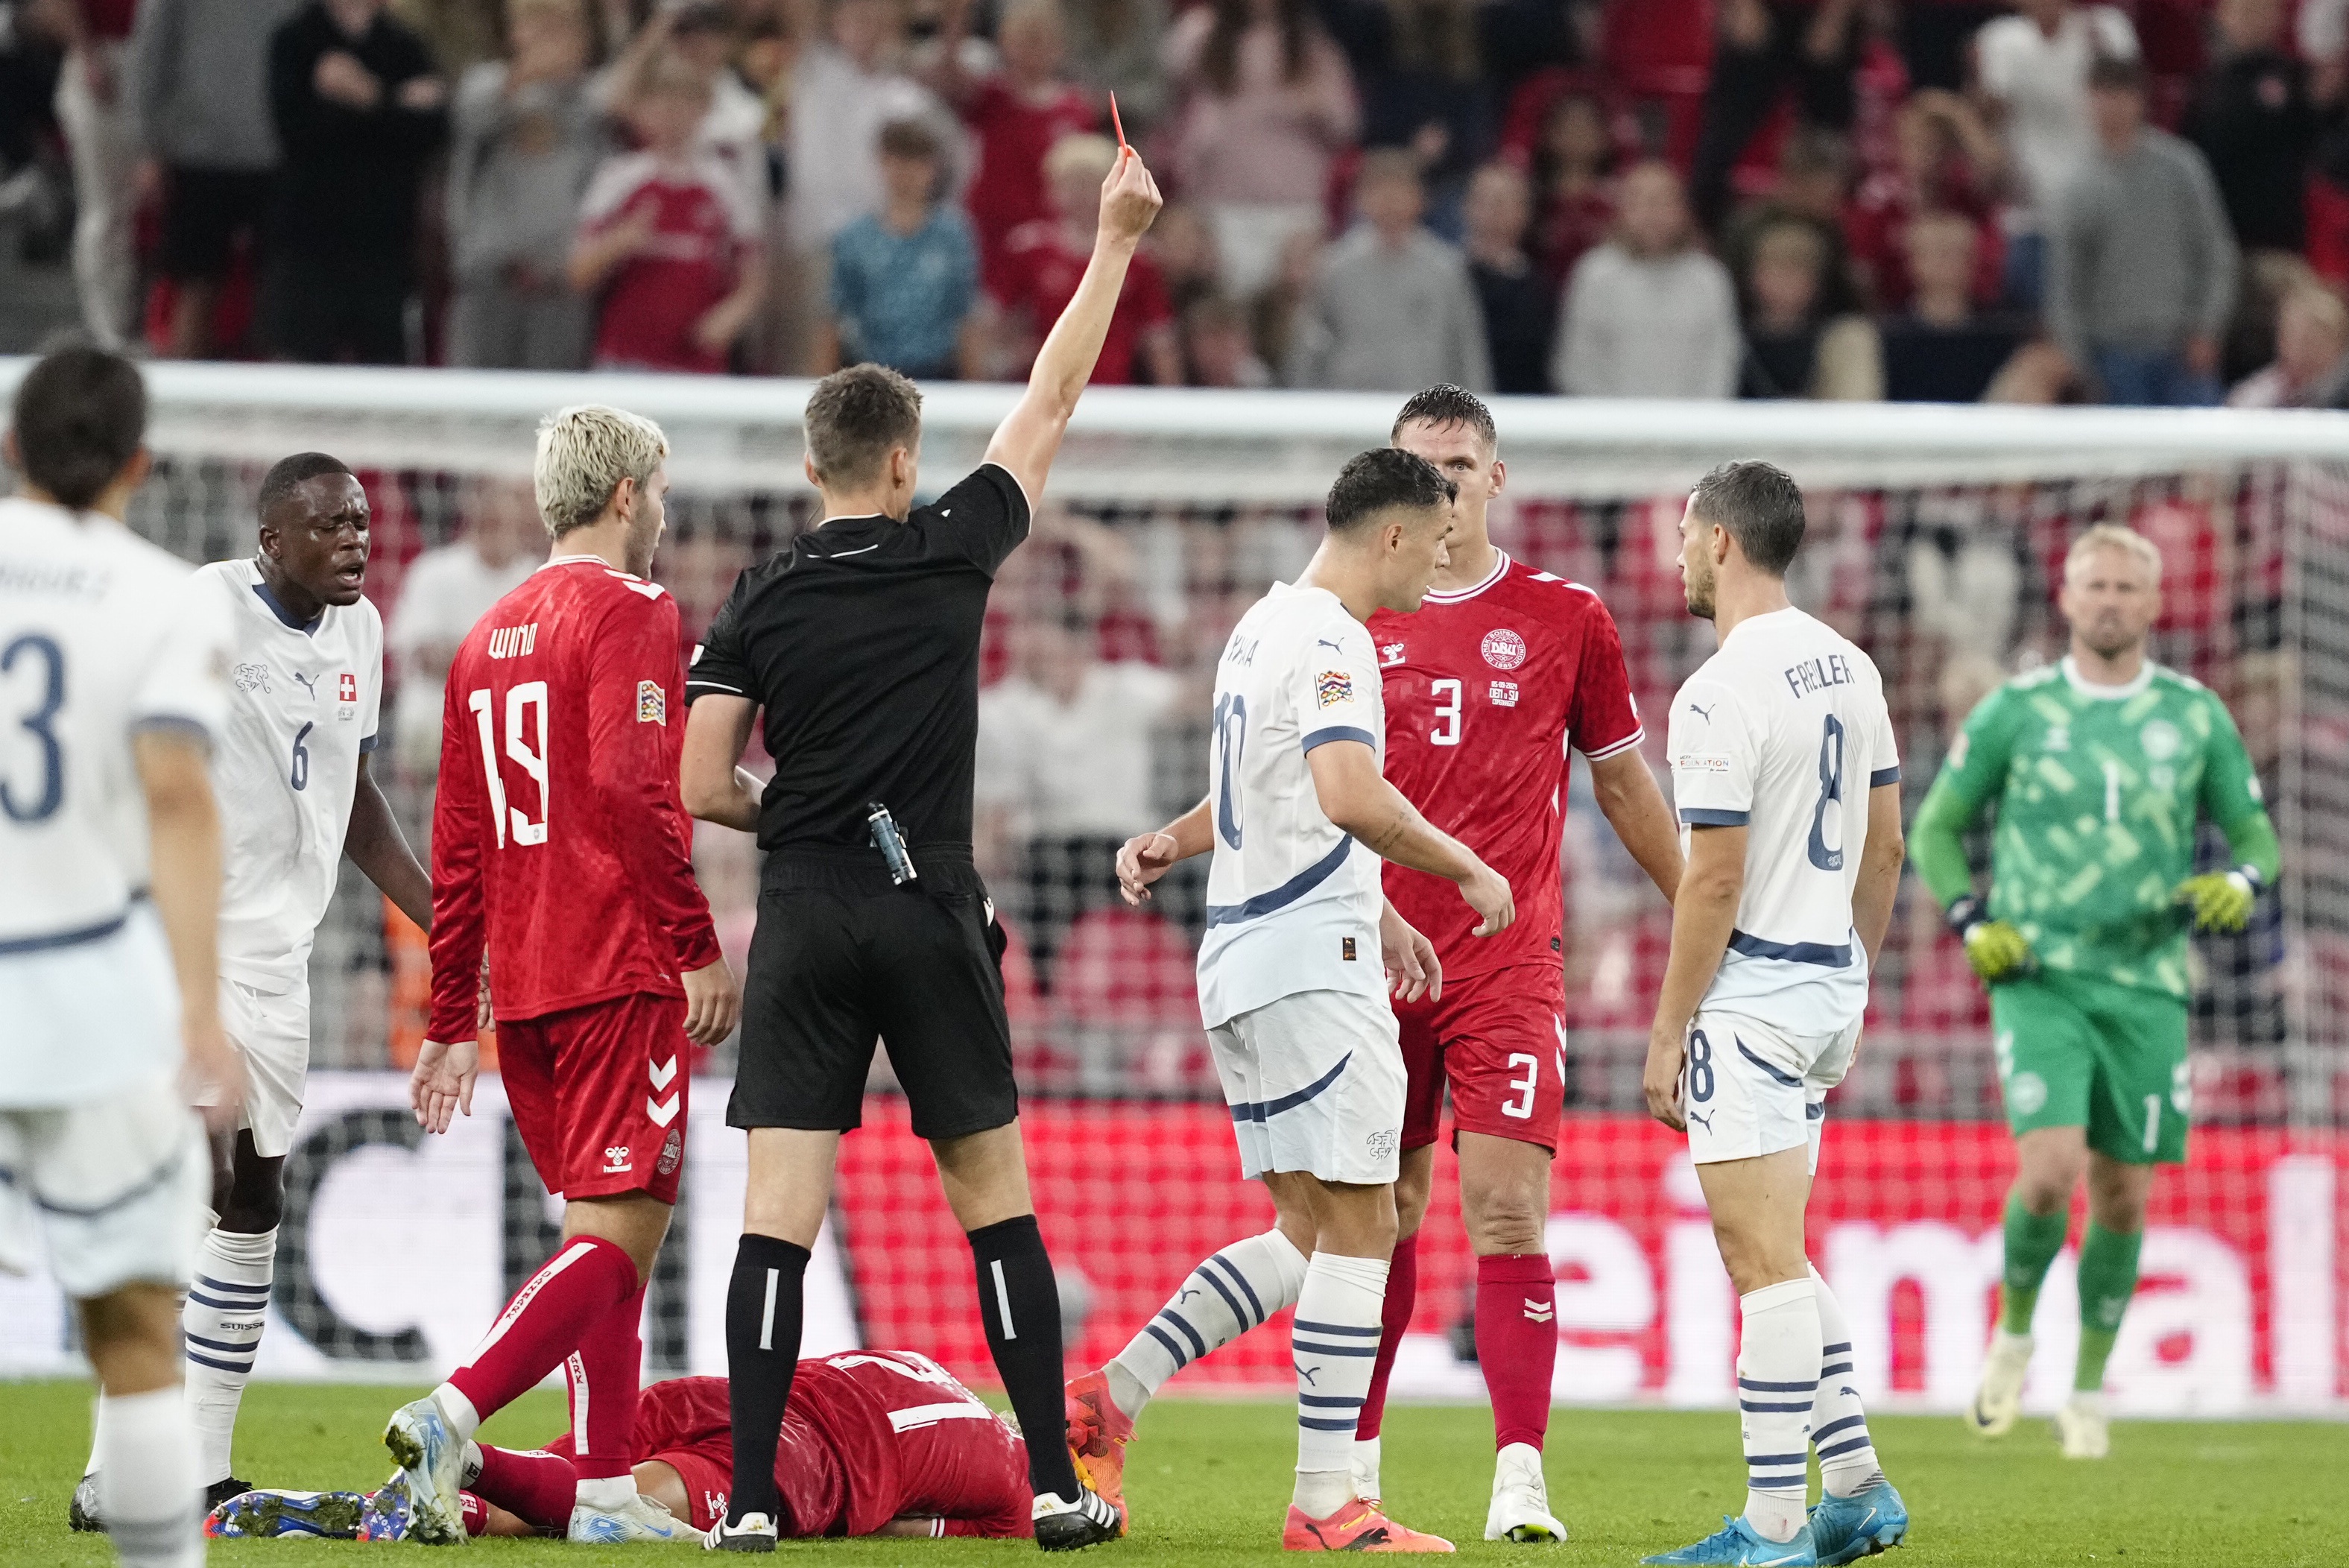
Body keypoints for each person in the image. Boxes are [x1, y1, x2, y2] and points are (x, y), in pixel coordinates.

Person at [674, 143, 1166, 1553]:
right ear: (900, 462)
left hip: (812, 908)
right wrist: (1113, 241)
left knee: (780, 1219)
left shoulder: (756, 597)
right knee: (991, 1201)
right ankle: (1057, 1485)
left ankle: (754, 1501)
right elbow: (1051, 394)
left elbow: (703, 780)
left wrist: (802, 811)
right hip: (928, 899)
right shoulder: (949, 544)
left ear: (807, 465)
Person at [1069, 447, 1501, 1553]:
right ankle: (1326, 1506)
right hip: (1312, 967)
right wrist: (1462, 870)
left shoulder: (1261, 626)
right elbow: (1349, 792)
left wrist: (1175, 837)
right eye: (1436, 546)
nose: (1438, 572)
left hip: (1245, 959)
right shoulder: (1336, 637)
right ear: (1394, 533)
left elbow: (1259, 794)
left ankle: (1114, 1392)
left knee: (1310, 1232)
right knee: (1369, 1220)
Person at [384, 404, 741, 1546]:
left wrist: (452, 1015)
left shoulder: (486, 633)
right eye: (663, 496)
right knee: (616, 1242)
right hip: (616, 968)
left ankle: (600, 1493)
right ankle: (455, 1410)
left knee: (606, 1245)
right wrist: (694, 945)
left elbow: (455, 840)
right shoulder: (634, 610)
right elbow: (642, 791)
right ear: (627, 495)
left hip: (526, 987)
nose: (666, 520)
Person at [72, 452, 434, 1524]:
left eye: (362, 522)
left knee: (254, 1198)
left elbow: (357, 797)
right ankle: (114, 1466)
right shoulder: (206, 610)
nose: (355, 541)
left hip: (282, 958)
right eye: (329, 526)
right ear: (271, 541)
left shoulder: (362, 633)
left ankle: (205, 1460)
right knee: (191, 1179)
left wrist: (442, 919)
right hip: (189, 941)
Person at [1347, 385, 1682, 1540]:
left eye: (1459, 465)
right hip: (1372, 957)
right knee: (1378, 1214)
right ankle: (1354, 1471)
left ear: (1498, 478)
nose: (1440, 487)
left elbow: (1624, 782)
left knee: (1505, 1213)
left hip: (1505, 961)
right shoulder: (1343, 614)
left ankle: (1521, 1478)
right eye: (1419, 468)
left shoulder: (1565, 616)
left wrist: (1695, 907)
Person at [1912, 524, 2280, 1460]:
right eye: (2093, 584)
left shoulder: (2194, 714)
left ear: (2154, 603)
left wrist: (2236, 885)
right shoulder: (2015, 710)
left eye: (2126, 585)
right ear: (2066, 600)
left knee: (2121, 1194)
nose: (2109, 599)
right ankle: (2015, 1335)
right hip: (2037, 976)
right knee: (2048, 1167)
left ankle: (2086, 1390)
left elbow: (2254, 835)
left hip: (2150, 985)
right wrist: (1969, 918)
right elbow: (1938, 830)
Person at [1639, 460, 1911, 1567]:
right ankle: (1852, 1486)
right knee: (1784, 1253)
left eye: (1682, 535)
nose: (1675, 556)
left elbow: (1710, 880)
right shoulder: (1852, 665)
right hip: (1825, 983)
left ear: (1720, 543)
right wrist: (1851, 972)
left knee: (1758, 1264)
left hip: (1751, 996)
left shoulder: (1719, 688)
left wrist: (1669, 1030)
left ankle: (1773, 1524)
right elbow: (1889, 846)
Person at [1, 344, 241, 1568]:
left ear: (9, 449)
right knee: (136, 1330)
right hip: (90, 996)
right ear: (141, 465)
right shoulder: (163, 594)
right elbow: (176, 794)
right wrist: (201, 1010)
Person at [209, 1352, 1037, 1542]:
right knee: (617, 1504)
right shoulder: (1008, 1482)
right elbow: (908, 1531)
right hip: (795, 1459)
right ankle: (465, 1468)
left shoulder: (928, 1367)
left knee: (580, 1467)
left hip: (726, 1391)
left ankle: (395, 1502)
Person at [2045, 56, 2237, 408]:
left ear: (2140, 99)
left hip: (2184, 348)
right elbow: (2066, 282)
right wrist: (2076, 358)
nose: (2111, 106)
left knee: (2200, 457)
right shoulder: (2076, 187)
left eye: (2120, 94)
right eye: (2101, 94)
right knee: (2128, 462)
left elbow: (2215, 251)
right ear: (2087, 100)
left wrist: (2209, 328)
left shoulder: (2182, 169)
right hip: (2112, 355)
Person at [264, 0, 449, 363]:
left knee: (383, 366)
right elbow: (295, 131)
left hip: (383, 239)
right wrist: (394, 109)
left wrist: (367, 96)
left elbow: (430, 133)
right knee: (304, 366)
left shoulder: (405, 45)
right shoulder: (295, 39)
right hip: (310, 236)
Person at [571, 49, 765, 374]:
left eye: (683, 102)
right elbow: (579, 273)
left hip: (697, 366)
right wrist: (620, 241)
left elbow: (753, 278)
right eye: (659, 102)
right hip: (624, 359)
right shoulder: (619, 178)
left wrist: (730, 315)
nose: (671, 114)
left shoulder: (724, 185)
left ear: (704, 109)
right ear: (639, 111)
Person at [127, 0, 302, 358]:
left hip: (282, 152)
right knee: (195, 285)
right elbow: (151, 51)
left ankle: (275, 403)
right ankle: (183, 398)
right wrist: (147, 144)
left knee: (280, 293)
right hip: (197, 151)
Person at [1162, 0, 1359, 303]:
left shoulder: (1310, 47)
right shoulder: (1200, 36)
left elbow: (1345, 123)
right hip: (1220, 206)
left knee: (1293, 318)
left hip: (1293, 207)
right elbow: (1173, 108)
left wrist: (1306, 106)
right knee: (1229, 311)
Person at [444, 0, 604, 370]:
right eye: (540, 25)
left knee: (556, 420)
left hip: (559, 288)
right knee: (479, 413)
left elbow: (624, 100)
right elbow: (472, 118)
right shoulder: (485, 83)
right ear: (515, 31)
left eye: (563, 29)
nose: (553, 40)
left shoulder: (592, 99)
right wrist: (531, 72)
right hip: (489, 282)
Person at [1970, 0, 2137, 307]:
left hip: (2102, 216)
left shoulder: (2107, 28)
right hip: (2032, 218)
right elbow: (1989, 122)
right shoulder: (2000, 39)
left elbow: (2128, 105)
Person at [1286, 150, 1490, 392]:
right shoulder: (1335, 266)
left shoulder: (1445, 269)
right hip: (1351, 408)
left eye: (1400, 192)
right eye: (1381, 191)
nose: (1391, 202)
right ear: (1361, 199)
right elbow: (1310, 347)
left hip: (1425, 412)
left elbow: (1465, 348)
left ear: (1421, 198)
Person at [385, 478, 547, 779]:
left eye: (502, 522)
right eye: (488, 521)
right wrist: (505, 658)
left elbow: (545, 667)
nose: (495, 530)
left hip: (513, 735)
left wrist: (464, 654)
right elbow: (425, 657)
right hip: (435, 727)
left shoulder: (540, 582)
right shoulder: (433, 571)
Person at [996, 133, 1182, 386]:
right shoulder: (1029, 248)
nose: (1081, 194)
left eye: (1090, 183)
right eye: (1071, 183)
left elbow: (1158, 338)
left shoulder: (1137, 258)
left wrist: (1171, 403)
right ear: (1052, 189)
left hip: (1112, 390)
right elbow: (1001, 320)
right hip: (1044, 388)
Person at [1553, 160, 1740, 399]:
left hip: (1691, 427)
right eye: (1644, 203)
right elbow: (1577, 361)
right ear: (1623, 210)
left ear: (1682, 211)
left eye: (1664, 203)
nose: (1654, 215)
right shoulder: (1596, 273)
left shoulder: (1708, 278)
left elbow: (1721, 361)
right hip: (1608, 426)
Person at [822, 117, 984, 379]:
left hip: (937, 374)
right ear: (882, 163)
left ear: (934, 168)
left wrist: (975, 394)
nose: (906, 174)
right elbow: (832, 319)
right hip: (870, 377)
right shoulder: (854, 238)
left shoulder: (953, 236)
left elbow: (966, 317)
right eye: (897, 161)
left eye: (917, 163)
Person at [2181, 0, 2317, 261]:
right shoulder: (2205, 86)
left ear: (2278, 18)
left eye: (2261, 11)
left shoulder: (2295, 80)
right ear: (2222, 18)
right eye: (2243, 12)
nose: (2252, 21)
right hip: (2219, 231)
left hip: (2277, 236)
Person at [1879, 211, 2030, 403]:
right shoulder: (1889, 336)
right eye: (1939, 252)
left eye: (1959, 252)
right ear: (1912, 262)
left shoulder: (2001, 334)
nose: (1948, 262)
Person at [1736, 215, 1882, 401]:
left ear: (1818, 281)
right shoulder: (1730, 337)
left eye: (1796, 269)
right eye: (1773, 267)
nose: (1784, 280)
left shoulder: (1846, 338)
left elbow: (1856, 415)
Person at [1460, 162, 1552, 396]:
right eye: (1485, 201)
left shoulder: (1542, 286)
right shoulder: (1447, 280)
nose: (1494, 212)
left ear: (1525, 212)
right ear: (1466, 207)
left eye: (1504, 202)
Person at [2228, 281, 2349, 408]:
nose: (2298, 350)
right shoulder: (2255, 396)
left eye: (2310, 340)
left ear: (2338, 344)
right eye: (2291, 336)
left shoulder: (2342, 396)